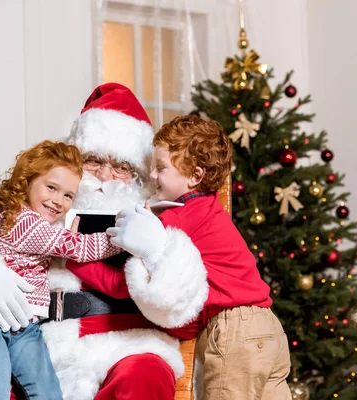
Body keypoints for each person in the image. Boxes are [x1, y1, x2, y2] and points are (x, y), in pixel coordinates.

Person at [0, 83, 209, 400]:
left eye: (121, 166)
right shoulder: (46, 207)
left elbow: (187, 315)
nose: (105, 176)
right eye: (93, 161)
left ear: (140, 175)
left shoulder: (157, 218)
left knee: (142, 376)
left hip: (127, 342)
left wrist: (157, 252)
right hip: (42, 340)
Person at [108, 115, 291, 399]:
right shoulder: (210, 211)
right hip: (268, 328)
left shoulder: (178, 218)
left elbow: (129, 280)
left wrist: (70, 256)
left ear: (195, 176)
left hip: (234, 330)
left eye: (160, 168)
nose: (152, 176)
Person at [0, 140, 125, 400]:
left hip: (26, 326)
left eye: (68, 195)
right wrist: (124, 237)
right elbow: (80, 248)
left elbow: (54, 246)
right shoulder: (23, 221)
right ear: (27, 181)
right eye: (51, 188)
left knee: (47, 394)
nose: (58, 201)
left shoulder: (27, 220)